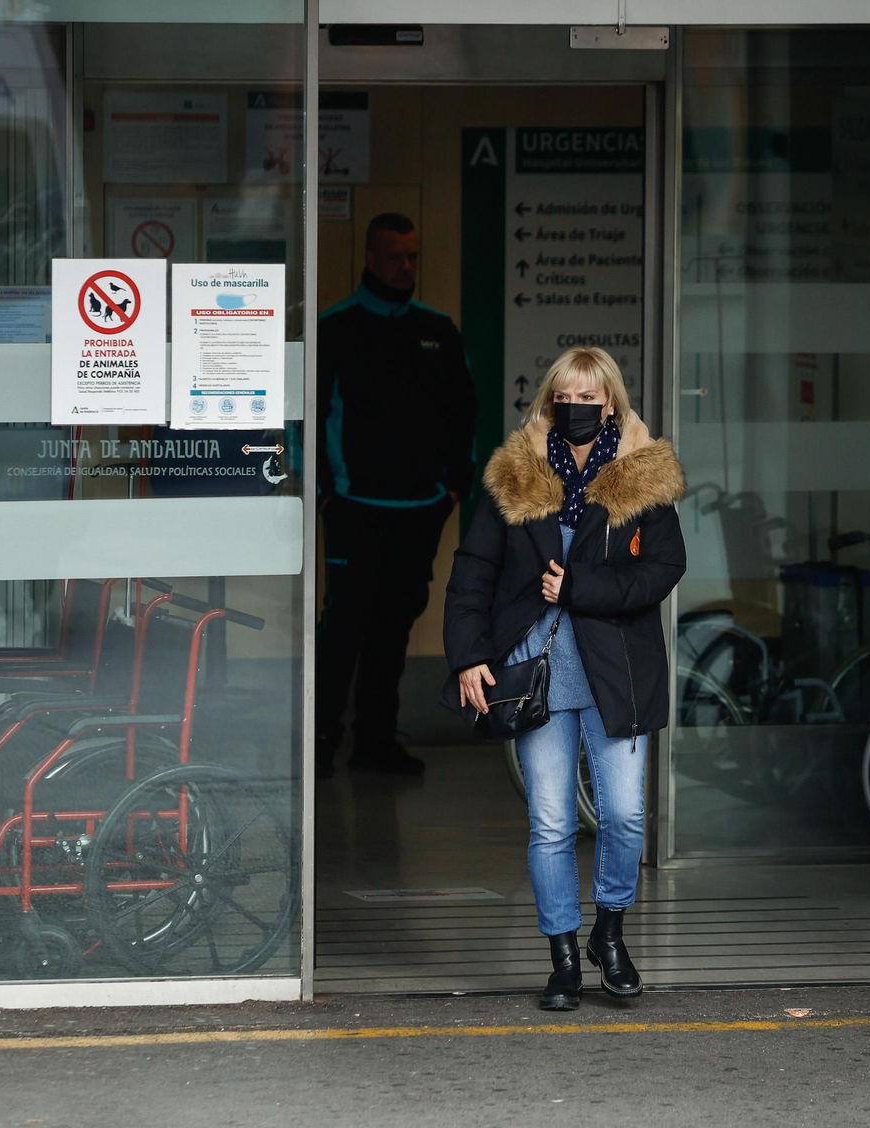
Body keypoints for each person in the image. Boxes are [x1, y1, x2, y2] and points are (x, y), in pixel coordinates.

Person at [442, 347, 686, 1010]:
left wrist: (582, 588)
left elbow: (664, 569)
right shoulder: (516, 474)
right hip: (537, 676)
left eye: (589, 396)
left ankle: (609, 932)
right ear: (551, 401)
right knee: (551, 823)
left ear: (611, 403)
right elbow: (474, 571)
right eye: (565, 396)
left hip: (619, 674)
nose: (576, 406)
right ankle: (562, 957)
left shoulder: (642, 476)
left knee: (624, 816)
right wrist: (467, 656)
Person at [316, 213, 479, 777]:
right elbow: (306, 418)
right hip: (354, 509)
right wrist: (326, 492)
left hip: (420, 510)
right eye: (394, 257)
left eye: (412, 256)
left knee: (393, 627)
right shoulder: (335, 328)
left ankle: (375, 744)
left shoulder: (437, 330)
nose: (406, 266)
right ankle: (320, 743)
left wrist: (453, 488)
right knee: (344, 626)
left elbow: (464, 414)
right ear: (370, 259)